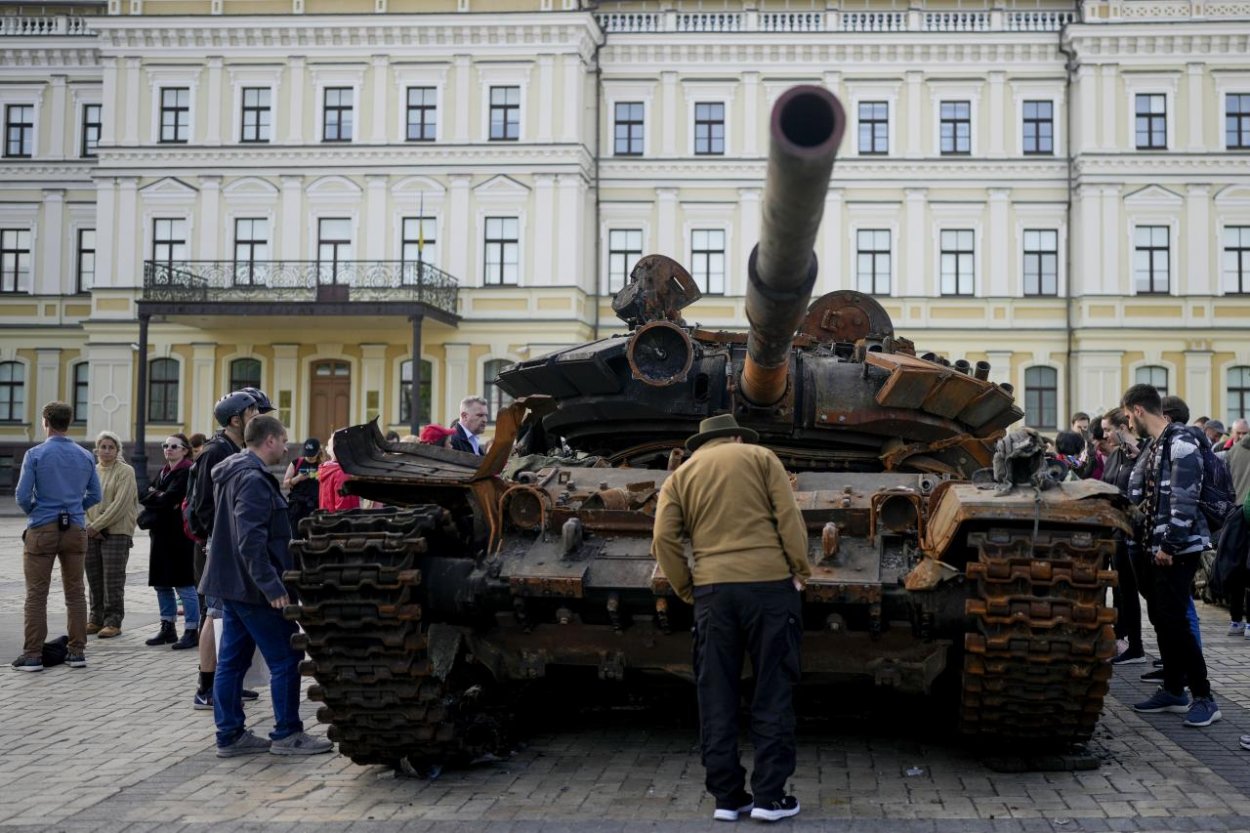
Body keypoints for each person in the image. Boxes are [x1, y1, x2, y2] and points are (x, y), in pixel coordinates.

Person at [651, 414, 811, 823]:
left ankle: (727, 797)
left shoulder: (681, 476)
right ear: (736, 436)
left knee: (716, 693)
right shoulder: (761, 457)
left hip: (713, 594)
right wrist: (800, 569)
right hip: (770, 587)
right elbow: (788, 517)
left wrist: (689, 588)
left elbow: (663, 539)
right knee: (772, 689)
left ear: (702, 443)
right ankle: (769, 798)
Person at [201, 414, 333, 757]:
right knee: (286, 656)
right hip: (255, 588)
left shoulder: (235, 471)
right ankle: (287, 733)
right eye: (284, 439)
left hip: (233, 584)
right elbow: (250, 541)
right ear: (269, 440)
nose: (287, 446)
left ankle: (230, 734)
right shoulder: (253, 479)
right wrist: (273, 587)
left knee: (232, 660)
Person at [1124, 384, 1221, 727]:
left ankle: (1204, 697)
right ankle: (1174, 689)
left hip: (1177, 549)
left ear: (1137, 410)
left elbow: (1184, 498)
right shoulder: (1156, 446)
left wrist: (1169, 545)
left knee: (1176, 622)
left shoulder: (1180, 442)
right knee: (1164, 620)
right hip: (1160, 548)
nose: (1128, 423)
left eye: (1127, 416)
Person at [188, 390, 268, 709]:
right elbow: (203, 505)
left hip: (232, 544)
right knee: (214, 614)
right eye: (253, 413)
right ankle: (206, 686)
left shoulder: (235, 448)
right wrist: (217, 540)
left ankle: (231, 679)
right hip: (218, 545)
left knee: (230, 613)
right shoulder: (216, 451)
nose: (259, 418)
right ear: (235, 420)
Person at [12, 402, 101, 671]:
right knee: (75, 592)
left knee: (37, 594)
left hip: (42, 528)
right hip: (74, 527)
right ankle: (76, 652)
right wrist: (75, 508)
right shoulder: (85, 455)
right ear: (69, 422)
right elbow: (96, 495)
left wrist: (37, 512)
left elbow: (22, 496)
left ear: (45, 422)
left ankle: (33, 655)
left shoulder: (35, 454)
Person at [140, 433, 200, 649]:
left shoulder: (186, 471)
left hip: (180, 536)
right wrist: (158, 496)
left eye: (174, 446)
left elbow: (170, 498)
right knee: (161, 584)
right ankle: (168, 628)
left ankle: (192, 630)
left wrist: (157, 496)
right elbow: (144, 495)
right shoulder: (165, 471)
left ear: (185, 450)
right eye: (166, 446)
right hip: (160, 534)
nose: (168, 449)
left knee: (184, 584)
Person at [84, 431, 138, 639]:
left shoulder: (126, 471)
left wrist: (97, 525)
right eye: (103, 447)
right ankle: (95, 618)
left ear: (117, 450)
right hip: (92, 532)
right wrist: (91, 526)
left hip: (116, 532)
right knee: (94, 577)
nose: (106, 451)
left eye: (111, 447)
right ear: (97, 450)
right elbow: (85, 499)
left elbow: (121, 504)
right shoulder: (92, 470)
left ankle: (113, 621)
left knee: (112, 579)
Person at [283, 437, 323, 531]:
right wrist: (298, 478)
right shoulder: (296, 463)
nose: (309, 457)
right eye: (307, 454)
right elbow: (285, 484)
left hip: (315, 507)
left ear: (318, 452)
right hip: (297, 507)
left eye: (312, 454)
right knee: (296, 537)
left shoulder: (322, 465)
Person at [318, 433, 361, 511]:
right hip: (340, 521)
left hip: (328, 519)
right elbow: (343, 508)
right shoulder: (342, 473)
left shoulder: (328, 468)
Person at [1226, 418, 1250, 504]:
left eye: (1244, 433)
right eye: (1238, 433)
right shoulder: (1221, 448)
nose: (1241, 436)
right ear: (1232, 433)